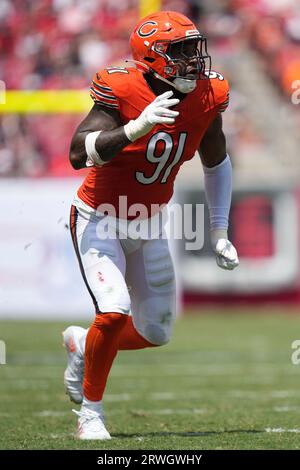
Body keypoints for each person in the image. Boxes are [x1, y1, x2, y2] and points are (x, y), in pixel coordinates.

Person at [63, 10, 239, 440]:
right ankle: (91, 413)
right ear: (154, 57)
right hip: (100, 217)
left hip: (150, 222)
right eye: (181, 52)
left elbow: (216, 161)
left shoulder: (206, 93)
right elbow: (77, 154)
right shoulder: (122, 87)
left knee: (156, 330)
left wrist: (218, 232)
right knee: (113, 309)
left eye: (194, 49)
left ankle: (82, 346)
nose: (194, 61)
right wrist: (135, 127)